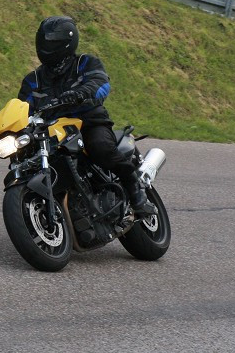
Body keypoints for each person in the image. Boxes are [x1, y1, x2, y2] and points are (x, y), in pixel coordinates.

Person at [17, 15, 157, 215]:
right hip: (52, 131)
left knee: (100, 147)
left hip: (88, 123)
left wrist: (82, 93)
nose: (46, 46)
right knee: (24, 157)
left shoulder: (85, 63)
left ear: (67, 42)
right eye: (44, 40)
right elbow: (22, 106)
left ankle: (136, 192)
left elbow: (101, 83)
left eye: (52, 41)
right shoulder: (33, 80)